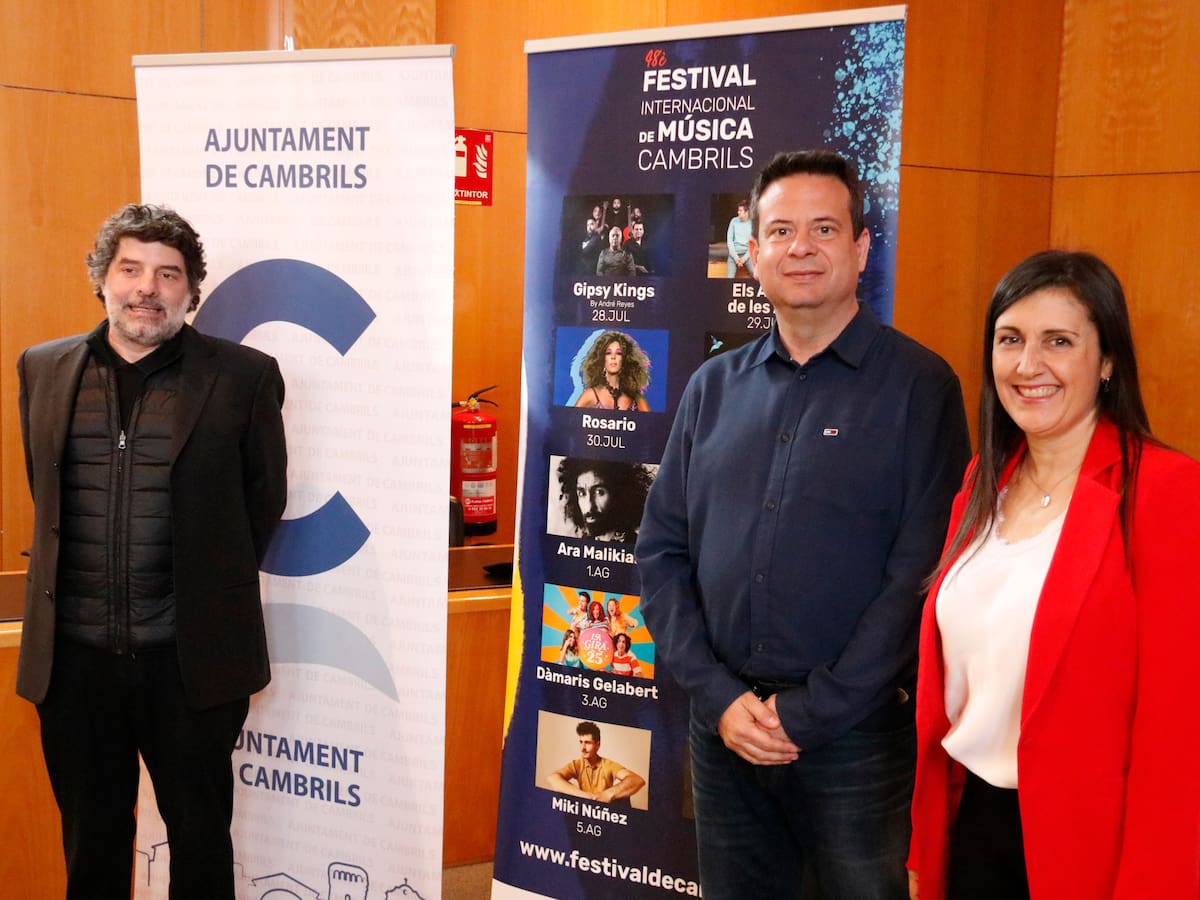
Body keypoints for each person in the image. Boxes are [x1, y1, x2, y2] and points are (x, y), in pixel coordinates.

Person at [636, 150, 970, 899]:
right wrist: (718, 697)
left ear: (861, 248)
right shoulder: (712, 387)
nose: (802, 248)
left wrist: (815, 711)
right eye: (781, 231)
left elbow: (922, 573)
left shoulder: (921, 387)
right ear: (752, 253)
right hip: (725, 731)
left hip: (856, 738)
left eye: (825, 228)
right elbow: (660, 551)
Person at [908, 251, 1200, 900]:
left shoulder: (1166, 492)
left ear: (1107, 360)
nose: (1027, 365)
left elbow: (1178, 737)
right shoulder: (981, 483)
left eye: (1058, 342)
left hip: (1091, 850)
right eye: (1010, 339)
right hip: (973, 828)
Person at [15, 203, 288, 899]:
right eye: (130, 269)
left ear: (190, 290)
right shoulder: (43, 368)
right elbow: (47, 493)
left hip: (190, 663)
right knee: (91, 841)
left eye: (168, 274)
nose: (147, 288)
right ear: (102, 279)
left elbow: (260, 505)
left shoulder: (244, 376)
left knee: (200, 841)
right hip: (74, 663)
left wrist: (203, 585)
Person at [556, 458, 655, 543]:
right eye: (581, 493)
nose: (589, 506)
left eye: (599, 492)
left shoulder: (635, 545)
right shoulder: (583, 543)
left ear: (619, 493)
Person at [546, 721, 645, 804]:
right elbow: (553, 778)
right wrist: (585, 796)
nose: (583, 748)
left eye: (587, 743)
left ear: (598, 745)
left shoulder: (608, 765)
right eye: (581, 742)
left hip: (606, 813)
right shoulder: (576, 764)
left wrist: (607, 795)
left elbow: (637, 780)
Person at [573, 330, 651, 412]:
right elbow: (571, 418)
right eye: (608, 353)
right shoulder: (591, 395)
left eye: (619, 353)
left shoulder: (636, 398)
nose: (613, 357)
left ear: (625, 359)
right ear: (601, 359)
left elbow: (650, 420)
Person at [726, 201, 753, 277]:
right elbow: (729, 240)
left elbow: (753, 244)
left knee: (755, 274)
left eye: (740, 210)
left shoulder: (752, 223)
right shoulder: (734, 221)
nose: (738, 212)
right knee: (729, 277)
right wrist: (736, 258)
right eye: (738, 210)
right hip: (734, 254)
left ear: (747, 212)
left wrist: (744, 258)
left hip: (747, 254)